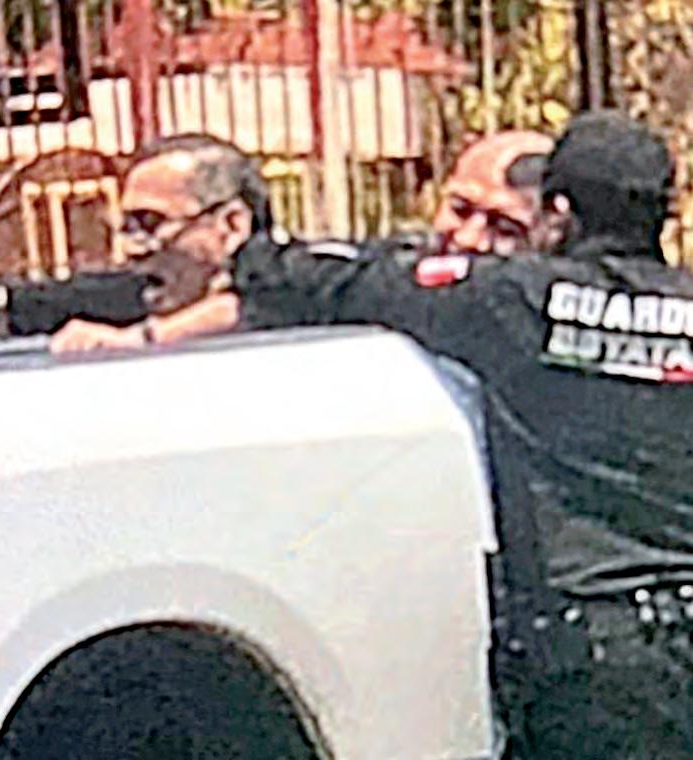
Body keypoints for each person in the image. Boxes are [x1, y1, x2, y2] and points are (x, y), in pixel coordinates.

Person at [230, 111, 693, 759]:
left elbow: (335, 280)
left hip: (595, 660)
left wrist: (249, 255)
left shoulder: (511, 300)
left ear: (558, 213)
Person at [0, 130, 552, 352]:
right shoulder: (391, 267)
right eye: (458, 209)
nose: (468, 238)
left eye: (503, 228)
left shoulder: (337, 290)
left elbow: (275, 293)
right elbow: (107, 296)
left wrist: (139, 342)